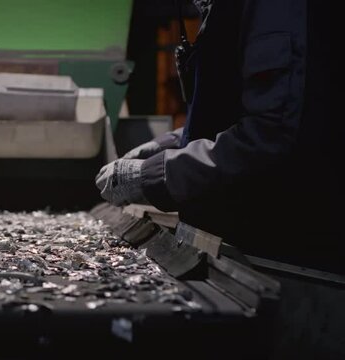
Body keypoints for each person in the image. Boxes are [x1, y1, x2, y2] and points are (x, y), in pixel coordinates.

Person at [96, 0, 343, 274]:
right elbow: (231, 114)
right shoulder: (224, 9)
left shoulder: (274, 8)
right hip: (228, 245)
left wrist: (154, 175)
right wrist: (169, 144)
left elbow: (269, 133)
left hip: (286, 256)